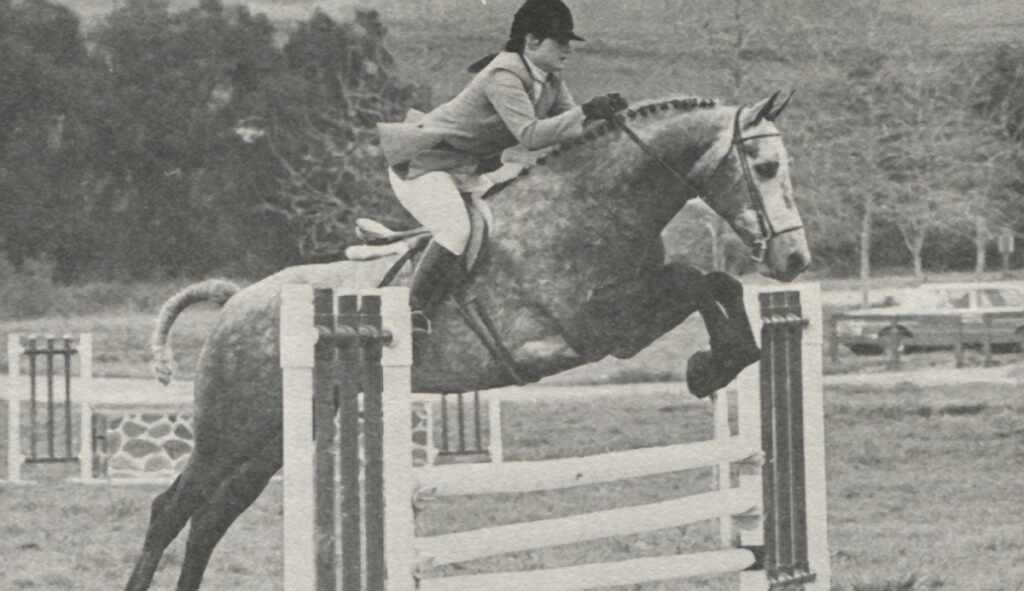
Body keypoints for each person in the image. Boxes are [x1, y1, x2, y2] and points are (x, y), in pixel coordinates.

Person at [377, 0, 628, 329]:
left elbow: (571, 129)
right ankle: (411, 314)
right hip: (424, 165)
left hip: (466, 169)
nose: (567, 50)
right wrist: (586, 112)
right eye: (560, 41)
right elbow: (531, 135)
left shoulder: (549, 79)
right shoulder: (503, 74)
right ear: (532, 41)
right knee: (456, 230)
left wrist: (608, 120)